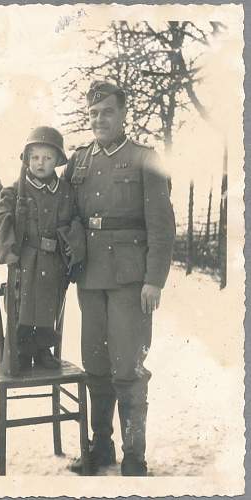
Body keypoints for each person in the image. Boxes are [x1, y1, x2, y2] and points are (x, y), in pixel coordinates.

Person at [64, 81, 176, 476]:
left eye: (107, 112)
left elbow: (162, 227)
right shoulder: (78, 162)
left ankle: (134, 455)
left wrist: (155, 280)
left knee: (127, 368)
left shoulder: (145, 159)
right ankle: (101, 447)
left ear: (123, 114)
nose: (99, 120)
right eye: (93, 113)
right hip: (90, 277)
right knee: (95, 365)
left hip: (131, 281)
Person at [0, 126, 86, 371]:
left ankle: (43, 351)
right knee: (22, 307)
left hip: (54, 263)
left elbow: (75, 222)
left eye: (47, 158)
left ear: (58, 161)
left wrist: (73, 251)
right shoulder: (15, 190)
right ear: (27, 159)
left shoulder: (65, 193)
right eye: (35, 157)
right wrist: (8, 250)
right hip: (25, 261)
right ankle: (20, 351)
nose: (40, 163)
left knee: (47, 307)